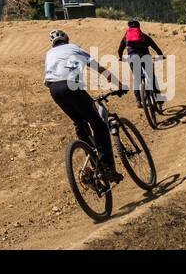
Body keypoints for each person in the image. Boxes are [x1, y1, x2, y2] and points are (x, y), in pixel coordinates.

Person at [44, 29, 122, 183]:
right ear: (67, 39)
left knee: (80, 123)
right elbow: (98, 67)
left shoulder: (49, 54)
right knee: (98, 125)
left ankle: (93, 161)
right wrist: (119, 84)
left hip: (54, 90)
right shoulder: (74, 48)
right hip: (72, 87)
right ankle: (107, 168)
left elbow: (48, 80)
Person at [117, 19, 165, 113]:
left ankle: (138, 100)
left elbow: (120, 50)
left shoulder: (126, 37)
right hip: (145, 57)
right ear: (139, 27)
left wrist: (121, 58)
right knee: (152, 77)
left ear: (129, 27)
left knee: (137, 79)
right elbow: (155, 47)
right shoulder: (144, 36)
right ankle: (159, 99)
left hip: (133, 58)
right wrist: (161, 55)